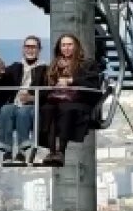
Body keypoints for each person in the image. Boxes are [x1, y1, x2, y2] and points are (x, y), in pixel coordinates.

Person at [38, 33, 103, 167]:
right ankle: (52, 151)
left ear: (76, 47)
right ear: (59, 47)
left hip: (79, 100)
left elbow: (93, 85)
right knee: (48, 108)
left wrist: (71, 81)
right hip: (56, 99)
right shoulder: (53, 66)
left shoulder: (87, 64)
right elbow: (46, 84)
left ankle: (61, 150)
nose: (66, 48)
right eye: (63, 45)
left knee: (65, 109)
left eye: (69, 45)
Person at [0, 34, 47, 164]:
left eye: (33, 47)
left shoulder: (45, 70)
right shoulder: (15, 67)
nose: (30, 50)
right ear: (23, 49)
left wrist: (33, 97)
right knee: (6, 110)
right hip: (15, 103)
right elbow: (2, 82)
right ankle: (7, 151)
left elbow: (48, 91)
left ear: (39, 50)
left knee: (23, 112)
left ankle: (22, 151)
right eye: (27, 47)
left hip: (32, 105)